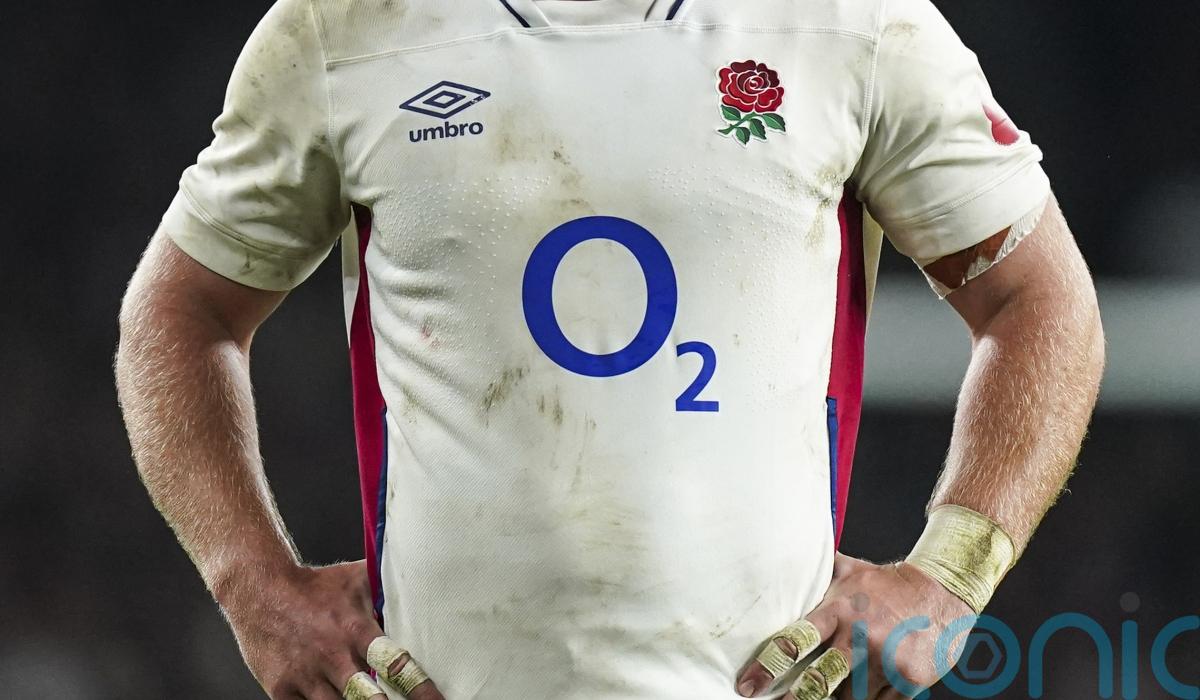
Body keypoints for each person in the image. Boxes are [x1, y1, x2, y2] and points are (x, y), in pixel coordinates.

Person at [115, 0, 1104, 698]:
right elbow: (180, 313)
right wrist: (255, 588)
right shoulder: (347, 30)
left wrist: (950, 579)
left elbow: (1040, 300)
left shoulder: (851, 25)